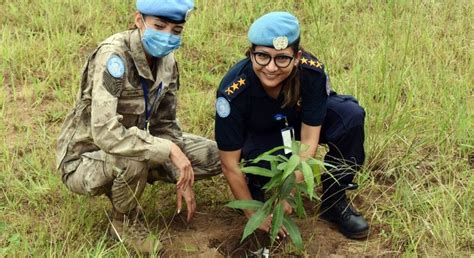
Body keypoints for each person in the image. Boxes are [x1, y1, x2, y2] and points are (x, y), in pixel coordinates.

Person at [56, 0, 220, 254]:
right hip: (86, 158)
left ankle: (137, 179)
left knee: (214, 156)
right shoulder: (113, 57)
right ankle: (123, 223)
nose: (167, 36)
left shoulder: (167, 62)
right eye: (159, 26)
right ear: (138, 20)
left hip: (141, 141)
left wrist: (180, 167)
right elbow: (104, 132)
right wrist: (167, 151)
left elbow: (165, 123)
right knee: (133, 161)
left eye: (176, 31)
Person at [215, 11, 369, 241]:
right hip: (261, 132)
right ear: (250, 54)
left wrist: (290, 191)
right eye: (262, 56)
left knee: (350, 117)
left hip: (295, 123)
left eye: (282, 58)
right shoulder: (233, 91)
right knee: (265, 168)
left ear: (297, 57)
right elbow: (229, 163)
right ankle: (257, 189)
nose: (271, 67)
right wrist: (252, 213)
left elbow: (309, 140)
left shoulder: (311, 72)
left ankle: (334, 202)